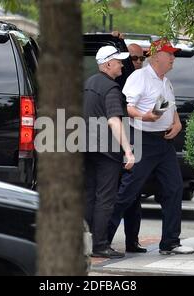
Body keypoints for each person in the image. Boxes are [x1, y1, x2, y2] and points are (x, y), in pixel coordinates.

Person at [108, 38, 194, 255]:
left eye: (173, 54)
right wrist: (144, 116)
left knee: (174, 188)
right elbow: (127, 107)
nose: (173, 58)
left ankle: (170, 242)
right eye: (170, 54)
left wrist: (176, 122)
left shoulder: (165, 81)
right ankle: (102, 239)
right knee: (128, 191)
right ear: (157, 57)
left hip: (164, 142)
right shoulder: (140, 77)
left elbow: (170, 105)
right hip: (142, 139)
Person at [84, 45, 135, 259]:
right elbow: (114, 121)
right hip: (106, 150)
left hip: (83, 147)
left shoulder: (87, 84)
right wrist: (128, 151)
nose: (122, 65)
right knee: (105, 198)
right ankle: (100, 245)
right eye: (119, 61)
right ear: (108, 64)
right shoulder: (111, 88)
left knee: (87, 196)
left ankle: (84, 243)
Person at [121, 43, 148, 253]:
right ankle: (102, 238)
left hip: (139, 141)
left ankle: (132, 240)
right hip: (116, 141)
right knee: (119, 192)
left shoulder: (145, 78)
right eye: (133, 58)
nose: (138, 62)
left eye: (141, 58)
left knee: (134, 193)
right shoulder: (119, 77)